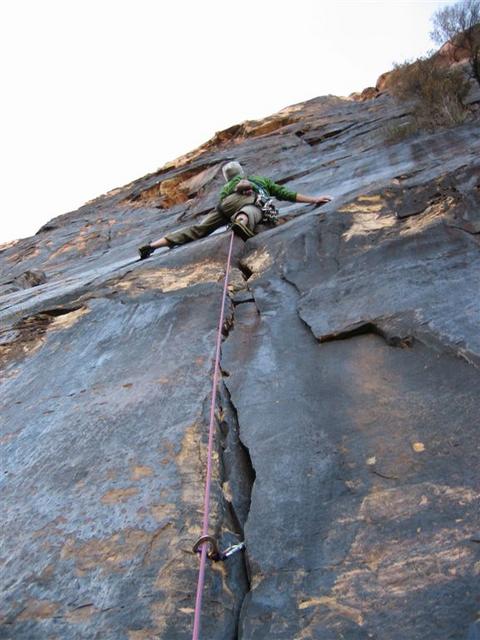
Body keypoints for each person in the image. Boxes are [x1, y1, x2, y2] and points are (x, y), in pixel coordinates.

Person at [138, 160, 332, 259]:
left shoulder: (225, 187)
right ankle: (241, 222)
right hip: (245, 200)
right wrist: (314, 199)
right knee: (255, 209)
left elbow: (224, 204)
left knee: (198, 229)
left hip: (224, 205)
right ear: (241, 172)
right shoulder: (258, 180)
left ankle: (154, 245)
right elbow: (285, 193)